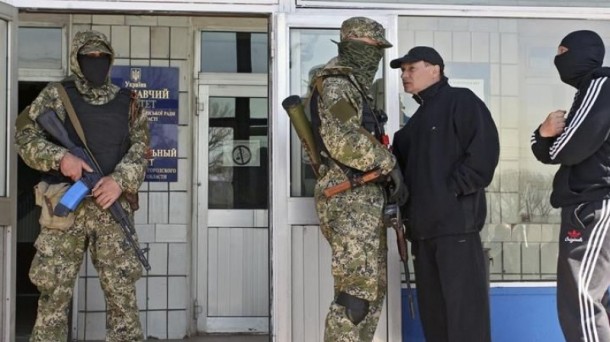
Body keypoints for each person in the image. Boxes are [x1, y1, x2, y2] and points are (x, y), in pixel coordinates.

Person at [14, 30, 149, 342]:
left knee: (122, 297)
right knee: (53, 295)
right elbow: (24, 135)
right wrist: (61, 158)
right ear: (77, 59)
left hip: (110, 209)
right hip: (64, 207)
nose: (96, 63)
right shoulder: (56, 95)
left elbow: (141, 149)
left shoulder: (128, 101)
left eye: (103, 57)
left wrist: (119, 181)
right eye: (90, 57)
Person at [391, 46, 499, 342]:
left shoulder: (461, 101)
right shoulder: (413, 124)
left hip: (457, 231)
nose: (404, 75)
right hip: (423, 235)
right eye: (403, 70)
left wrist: (450, 194)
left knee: (466, 320)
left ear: (435, 69)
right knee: (435, 319)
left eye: (412, 68)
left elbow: (483, 155)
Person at [311, 17, 406, 342]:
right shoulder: (336, 84)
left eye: (379, 50)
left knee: (369, 294)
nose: (376, 57)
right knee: (355, 298)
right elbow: (343, 138)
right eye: (372, 49)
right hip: (349, 202)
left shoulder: (352, 85)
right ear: (350, 45)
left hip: (364, 202)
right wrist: (388, 164)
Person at [531, 30, 610, 342]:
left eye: (562, 52)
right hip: (594, 202)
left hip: (593, 204)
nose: (558, 59)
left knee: (581, 301)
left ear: (581, 53)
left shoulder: (600, 85)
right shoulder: (591, 90)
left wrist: (542, 134)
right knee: (596, 298)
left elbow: (565, 149)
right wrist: (546, 138)